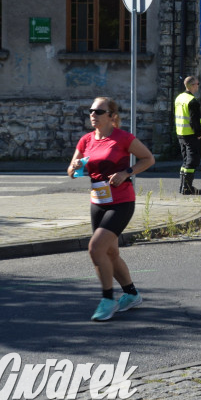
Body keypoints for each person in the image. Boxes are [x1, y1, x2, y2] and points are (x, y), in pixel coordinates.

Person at [68, 97, 156, 321]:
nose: (93, 115)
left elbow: (148, 159)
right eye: (91, 111)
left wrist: (127, 172)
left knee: (95, 247)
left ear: (111, 116)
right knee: (110, 252)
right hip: (97, 201)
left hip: (121, 201)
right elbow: (70, 169)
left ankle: (107, 299)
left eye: (99, 111)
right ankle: (131, 294)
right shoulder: (86, 140)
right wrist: (75, 167)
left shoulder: (123, 138)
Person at [173, 75, 201, 195]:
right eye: (197, 84)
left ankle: (183, 187)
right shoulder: (192, 101)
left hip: (181, 133)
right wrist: (199, 134)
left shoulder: (179, 98)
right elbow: (194, 120)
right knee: (192, 161)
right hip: (191, 134)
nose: (198, 86)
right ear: (192, 85)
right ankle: (187, 188)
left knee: (186, 160)